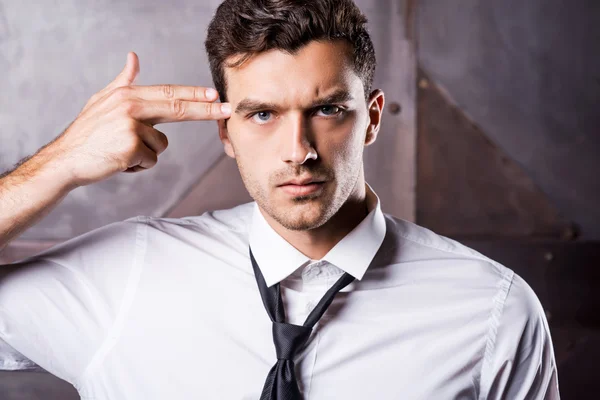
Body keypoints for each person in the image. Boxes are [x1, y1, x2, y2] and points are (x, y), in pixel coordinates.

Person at [0, 0, 559, 399]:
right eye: (262, 114)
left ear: (371, 117)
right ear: (225, 131)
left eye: (327, 110)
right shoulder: (123, 276)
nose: (298, 151)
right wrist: (62, 164)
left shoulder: (493, 313)